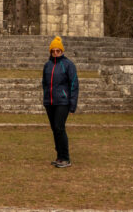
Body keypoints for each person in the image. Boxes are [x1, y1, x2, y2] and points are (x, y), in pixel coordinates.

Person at [42, 36, 78, 168]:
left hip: (63, 102)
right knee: (54, 129)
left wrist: (72, 105)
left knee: (59, 127)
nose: (56, 53)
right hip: (50, 102)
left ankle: (65, 158)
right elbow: (44, 83)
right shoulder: (47, 65)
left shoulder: (68, 65)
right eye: (53, 51)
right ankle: (59, 157)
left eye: (58, 51)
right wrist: (46, 97)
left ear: (62, 51)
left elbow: (74, 84)